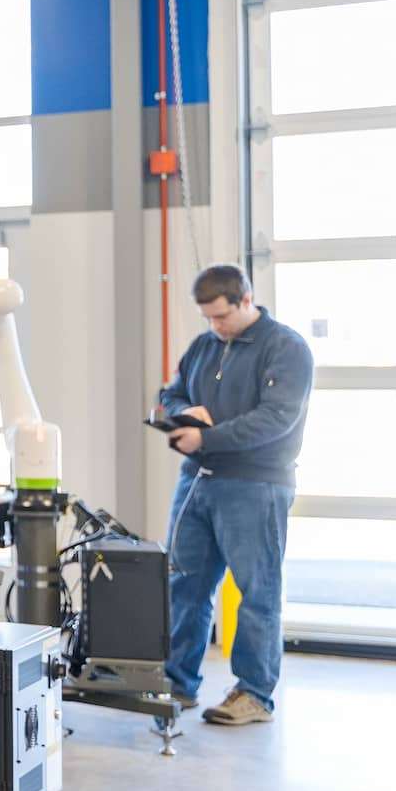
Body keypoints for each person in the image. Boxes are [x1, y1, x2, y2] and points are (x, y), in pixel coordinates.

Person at [158, 263, 313, 727]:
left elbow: (276, 419)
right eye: (207, 318)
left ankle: (255, 694)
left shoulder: (286, 348)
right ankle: (176, 683)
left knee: (257, 591)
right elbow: (171, 394)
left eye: (222, 316)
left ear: (246, 300)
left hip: (256, 485)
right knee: (184, 585)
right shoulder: (205, 347)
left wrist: (207, 438)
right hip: (198, 481)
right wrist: (183, 412)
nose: (214, 326)